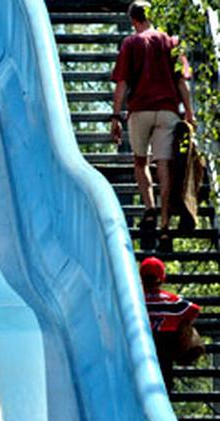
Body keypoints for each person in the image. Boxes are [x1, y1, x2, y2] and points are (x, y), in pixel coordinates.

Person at [110, 1, 194, 253]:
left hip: (140, 111)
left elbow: (122, 83)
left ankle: (149, 209)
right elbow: (182, 81)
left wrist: (115, 116)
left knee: (140, 162)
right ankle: (166, 225)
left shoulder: (131, 43)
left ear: (133, 20)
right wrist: (188, 113)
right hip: (168, 111)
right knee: (164, 165)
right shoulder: (172, 42)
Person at [140, 256, 202, 387]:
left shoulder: (137, 298)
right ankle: (167, 386)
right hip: (165, 345)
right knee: (164, 367)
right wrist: (177, 323)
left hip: (141, 341)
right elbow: (194, 309)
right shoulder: (171, 300)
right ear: (162, 277)